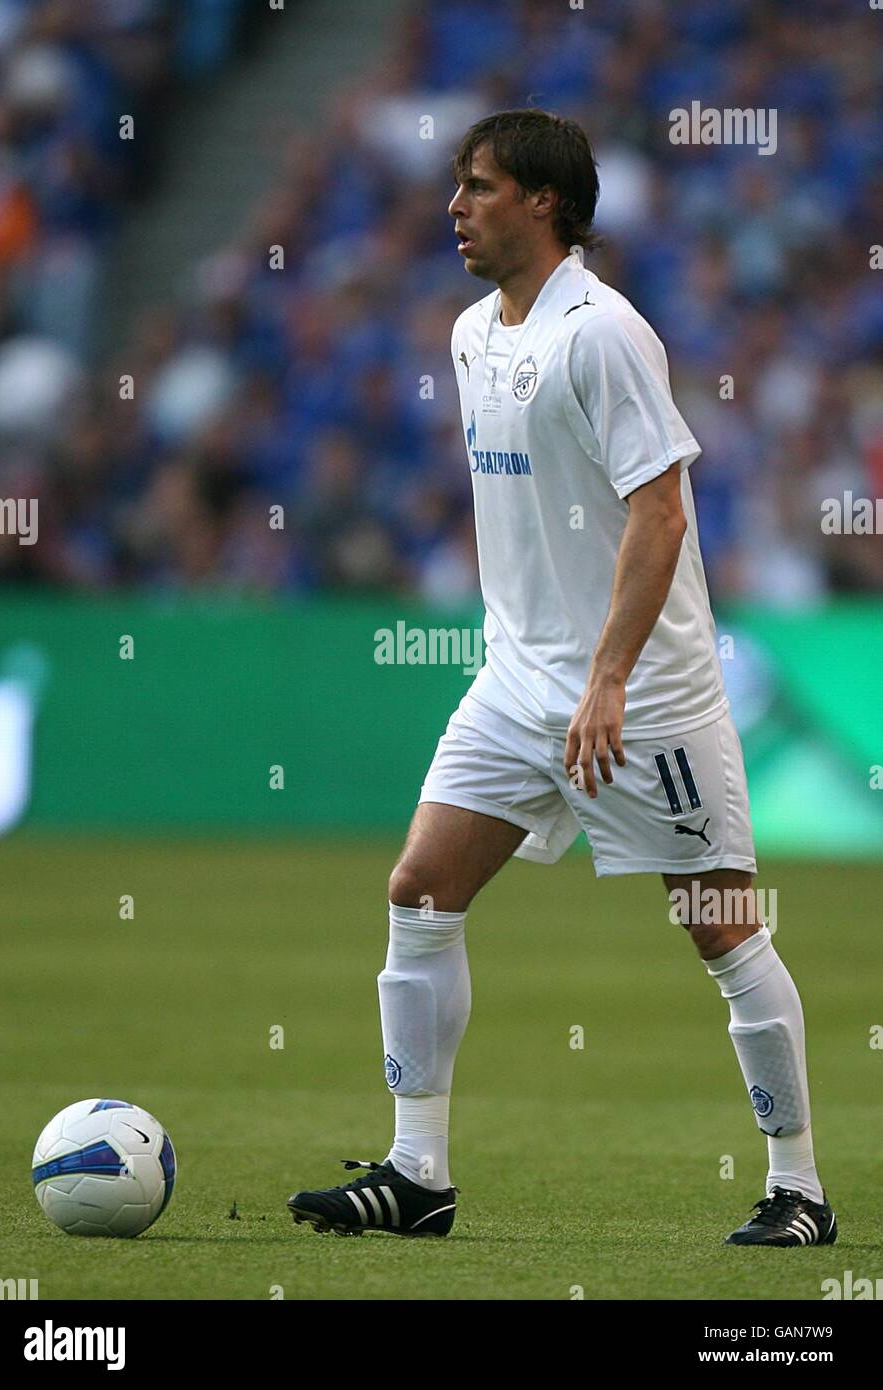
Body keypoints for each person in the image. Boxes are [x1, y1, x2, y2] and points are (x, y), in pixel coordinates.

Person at [287, 109, 835, 1248]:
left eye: (479, 187)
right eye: (456, 185)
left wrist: (610, 678)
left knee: (725, 928)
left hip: (646, 698)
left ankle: (799, 1190)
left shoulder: (605, 334)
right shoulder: (471, 333)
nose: (455, 207)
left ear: (543, 202)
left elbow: (662, 508)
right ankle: (416, 1172)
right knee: (419, 891)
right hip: (516, 683)